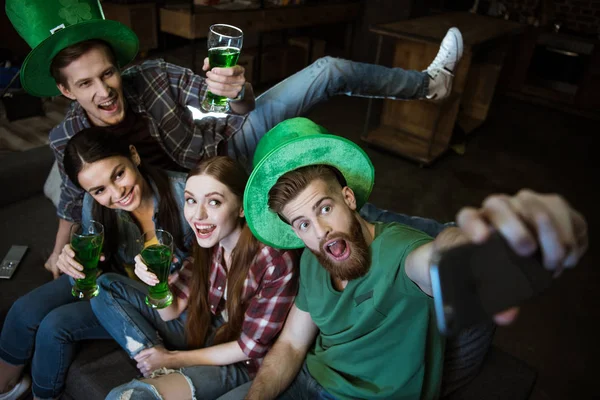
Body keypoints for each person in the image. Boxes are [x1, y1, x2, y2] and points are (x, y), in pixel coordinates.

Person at [6, 0, 464, 278]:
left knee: (328, 70)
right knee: (321, 198)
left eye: (107, 73)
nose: (104, 91)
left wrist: (238, 91)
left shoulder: (153, 75)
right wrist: (56, 253)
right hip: (204, 191)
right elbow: (71, 200)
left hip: (230, 141)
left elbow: (221, 108)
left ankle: (430, 83)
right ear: (66, 90)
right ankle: (447, 237)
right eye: (85, 84)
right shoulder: (69, 136)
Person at [233, 117, 588, 400]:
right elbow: (293, 344)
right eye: (304, 223)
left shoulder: (401, 251)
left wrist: (485, 244)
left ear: (348, 198)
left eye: (325, 208)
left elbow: (439, 255)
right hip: (307, 380)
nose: (321, 230)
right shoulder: (312, 260)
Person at [0, 128, 193, 400]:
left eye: (119, 174)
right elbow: (96, 260)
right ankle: (8, 385)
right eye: (100, 189)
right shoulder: (95, 203)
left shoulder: (188, 195)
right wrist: (72, 258)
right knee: (23, 309)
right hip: (112, 282)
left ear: (134, 156)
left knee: (54, 327)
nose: (117, 193)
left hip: (161, 304)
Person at [91, 156, 298, 400]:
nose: (198, 215)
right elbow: (172, 310)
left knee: (126, 396)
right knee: (106, 285)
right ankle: (153, 360)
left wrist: (174, 359)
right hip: (206, 332)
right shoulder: (206, 241)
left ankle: (162, 366)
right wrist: (156, 284)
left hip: (243, 361)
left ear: (242, 207)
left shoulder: (273, 261)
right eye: (190, 200)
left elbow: (249, 348)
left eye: (214, 202)